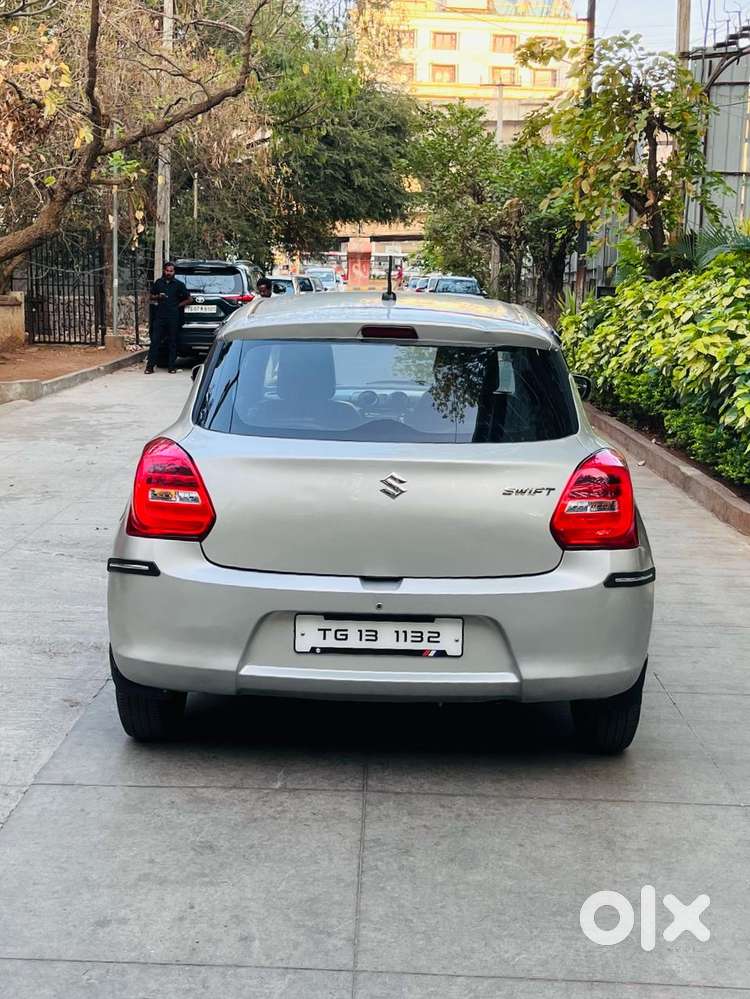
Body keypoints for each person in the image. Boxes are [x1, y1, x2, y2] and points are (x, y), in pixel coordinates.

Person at [146, 262, 191, 374]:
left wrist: (178, 306)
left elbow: (189, 299)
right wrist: (158, 297)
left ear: (174, 272)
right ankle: (150, 367)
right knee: (155, 341)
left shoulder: (179, 284)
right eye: (167, 270)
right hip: (160, 316)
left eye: (171, 271)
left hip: (173, 317)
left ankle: (171, 367)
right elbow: (150, 296)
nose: (169, 273)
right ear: (164, 271)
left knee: (172, 342)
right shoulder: (158, 283)